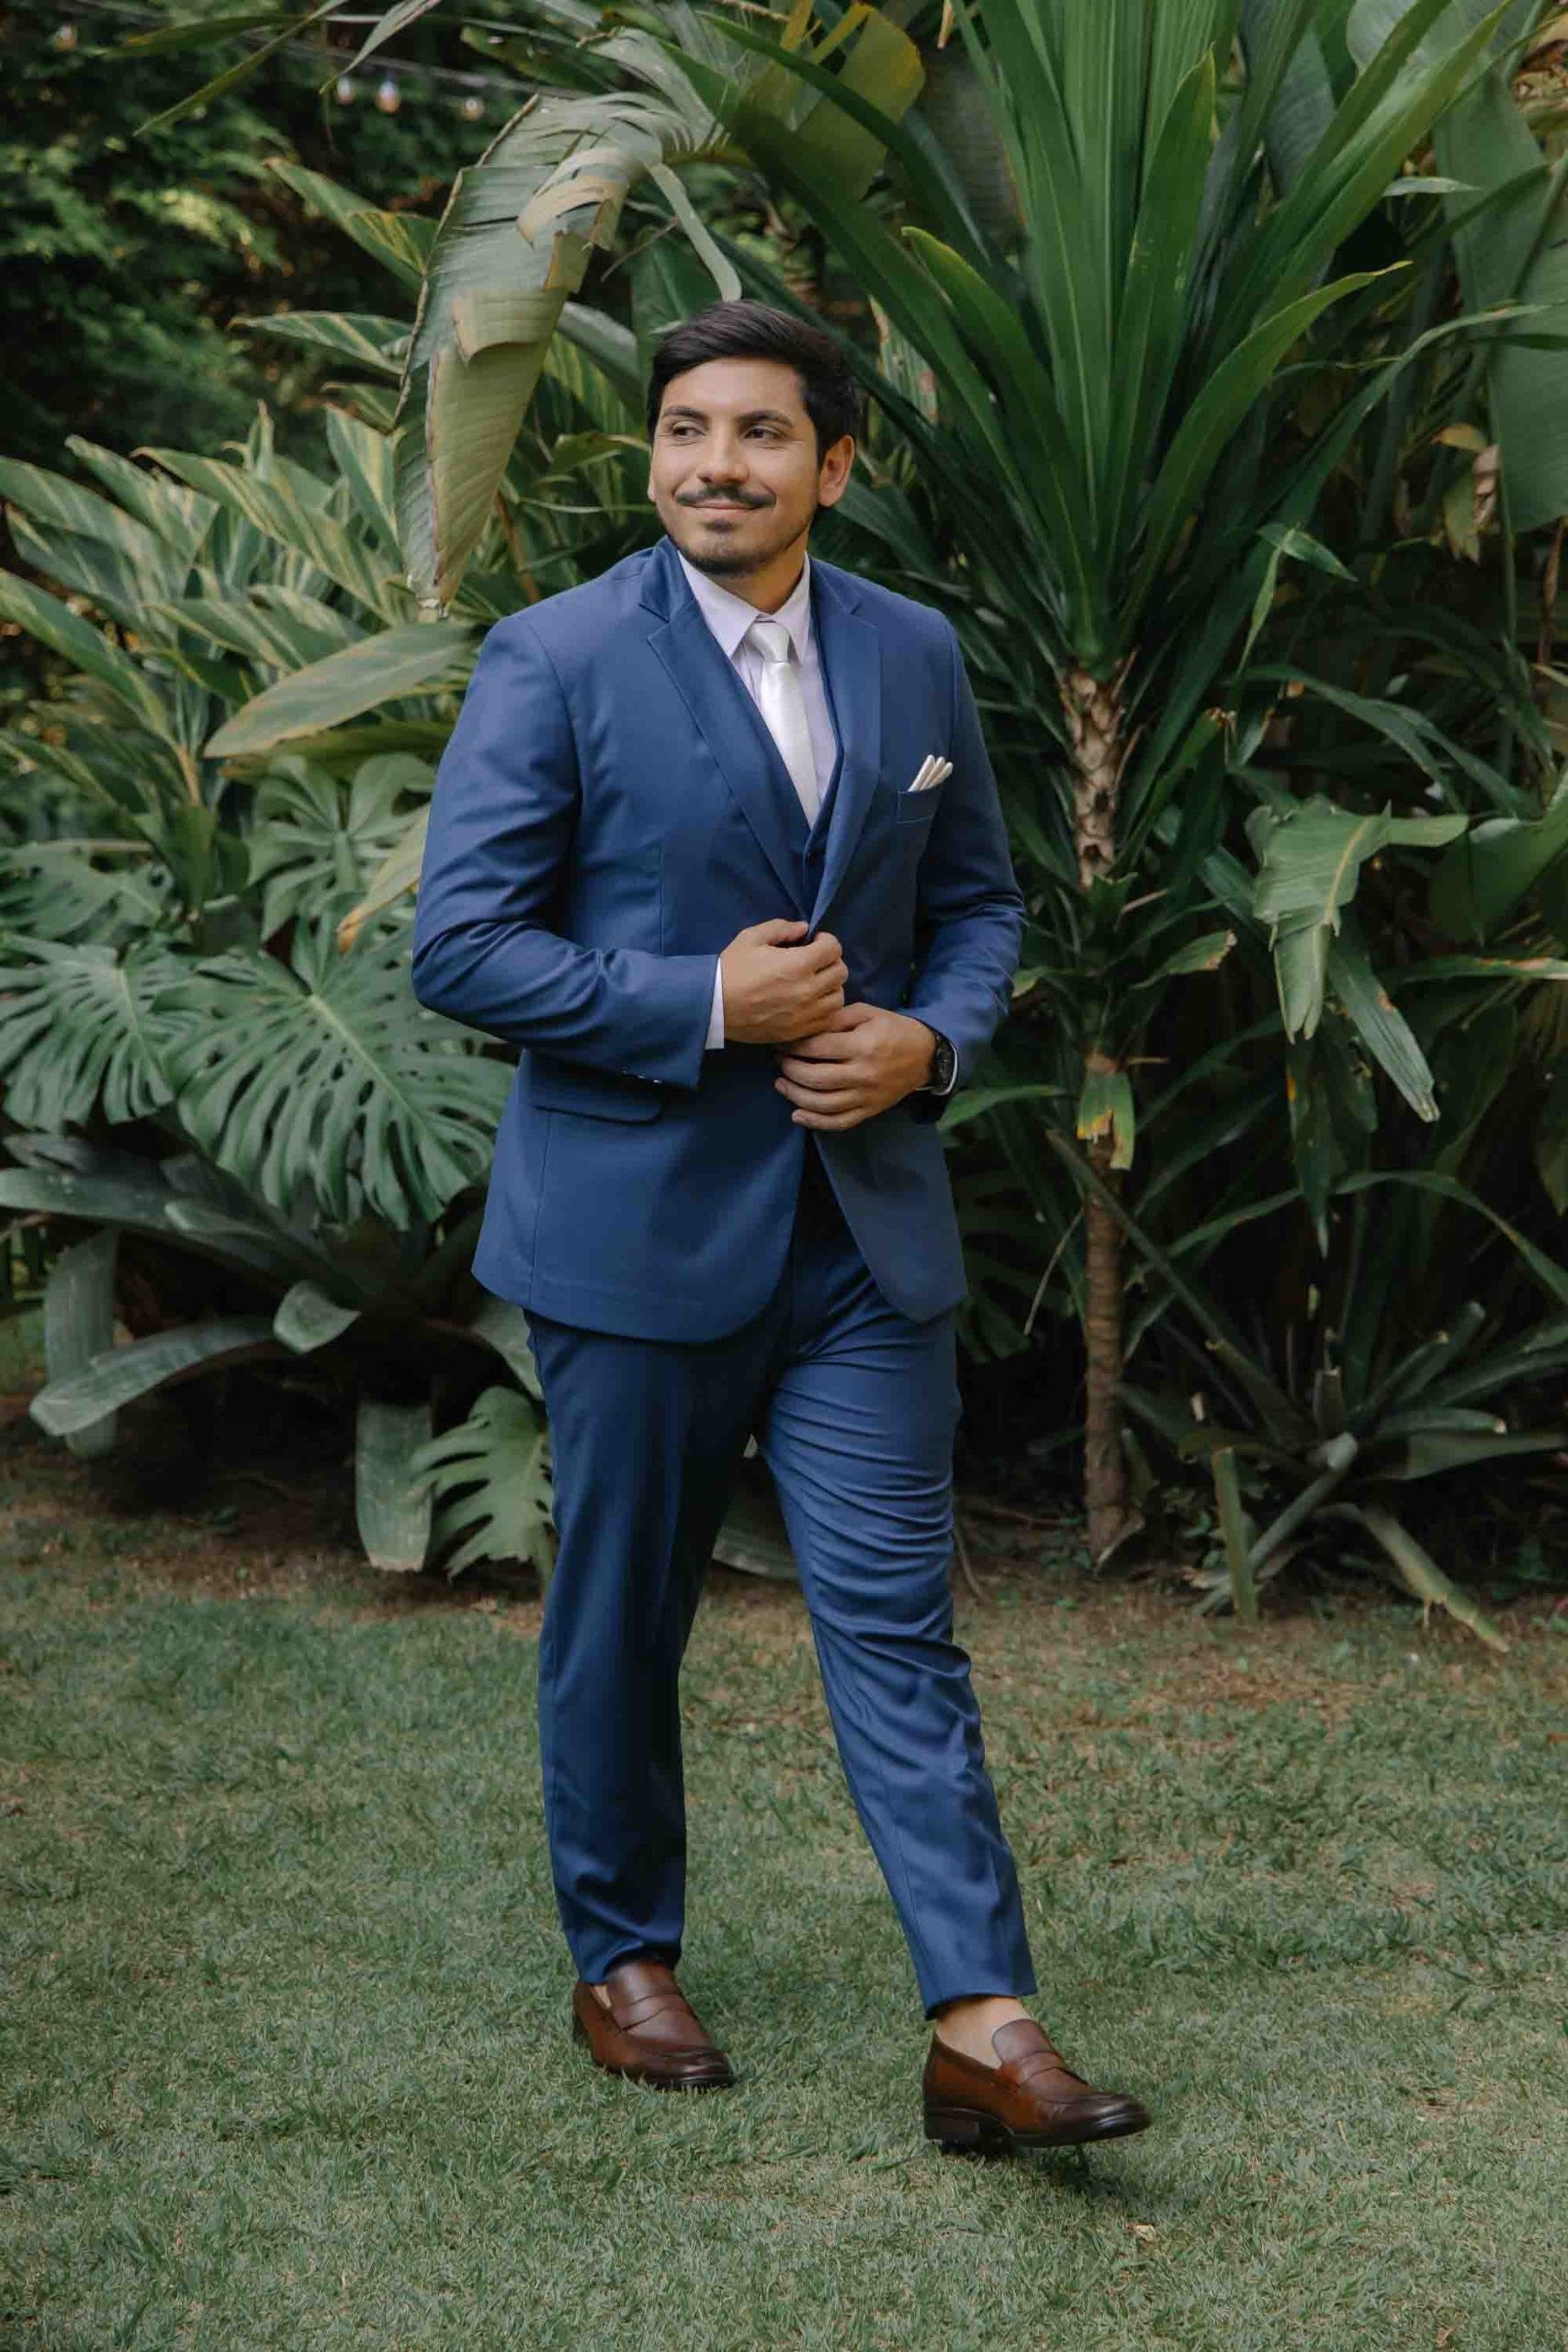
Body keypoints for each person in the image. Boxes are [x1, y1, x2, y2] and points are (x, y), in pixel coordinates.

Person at [411, 299, 1151, 2154]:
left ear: (833, 464)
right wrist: (700, 1006)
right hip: (634, 1234)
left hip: (861, 1239)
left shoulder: (912, 650)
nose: (712, 465)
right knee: (621, 1615)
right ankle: (622, 1958)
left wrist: (929, 1041)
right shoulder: (556, 655)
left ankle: (983, 2023)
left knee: (898, 1627)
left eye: (755, 433)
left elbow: (977, 903)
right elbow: (463, 946)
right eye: (684, 430)